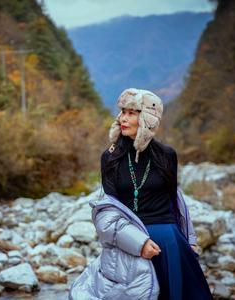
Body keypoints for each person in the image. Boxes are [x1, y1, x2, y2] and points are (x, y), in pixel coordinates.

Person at [69, 88, 213, 300]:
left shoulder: (167, 155)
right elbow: (108, 212)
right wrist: (139, 243)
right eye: (122, 112)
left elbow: (175, 201)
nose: (122, 118)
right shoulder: (110, 158)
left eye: (131, 113)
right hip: (130, 244)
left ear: (147, 119)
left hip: (170, 243)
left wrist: (189, 239)